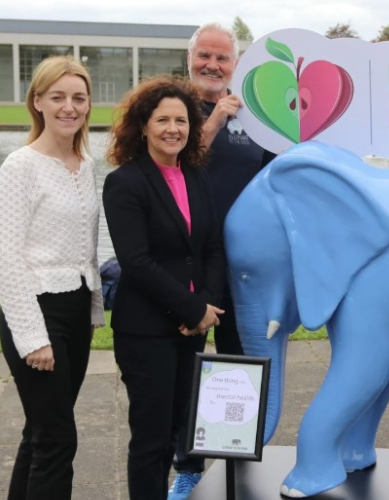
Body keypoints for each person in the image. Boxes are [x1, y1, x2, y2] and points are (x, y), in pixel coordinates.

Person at [102, 76, 225, 500]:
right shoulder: (124, 183)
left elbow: (211, 247)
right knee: (151, 441)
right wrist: (192, 310)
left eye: (182, 120)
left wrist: (207, 305)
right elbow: (136, 263)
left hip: (193, 329)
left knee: (182, 428)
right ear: (143, 126)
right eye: (163, 120)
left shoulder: (197, 177)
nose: (173, 128)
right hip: (147, 332)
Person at [168, 22, 275, 499]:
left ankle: (235, 463)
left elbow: (282, 177)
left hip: (241, 267)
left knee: (237, 368)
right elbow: (169, 169)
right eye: (204, 56)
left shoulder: (256, 117)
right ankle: (187, 466)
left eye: (222, 58)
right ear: (190, 59)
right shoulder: (173, 110)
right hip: (186, 264)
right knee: (186, 367)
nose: (212, 65)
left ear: (236, 63)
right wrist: (211, 121)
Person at [0, 55, 104, 500]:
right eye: (57, 97)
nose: (68, 107)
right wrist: (33, 336)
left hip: (74, 311)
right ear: (37, 101)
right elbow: (7, 260)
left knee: (40, 433)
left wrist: (92, 309)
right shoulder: (20, 166)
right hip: (35, 314)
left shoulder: (85, 164)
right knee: (59, 439)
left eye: (78, 97)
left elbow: (85, 250)